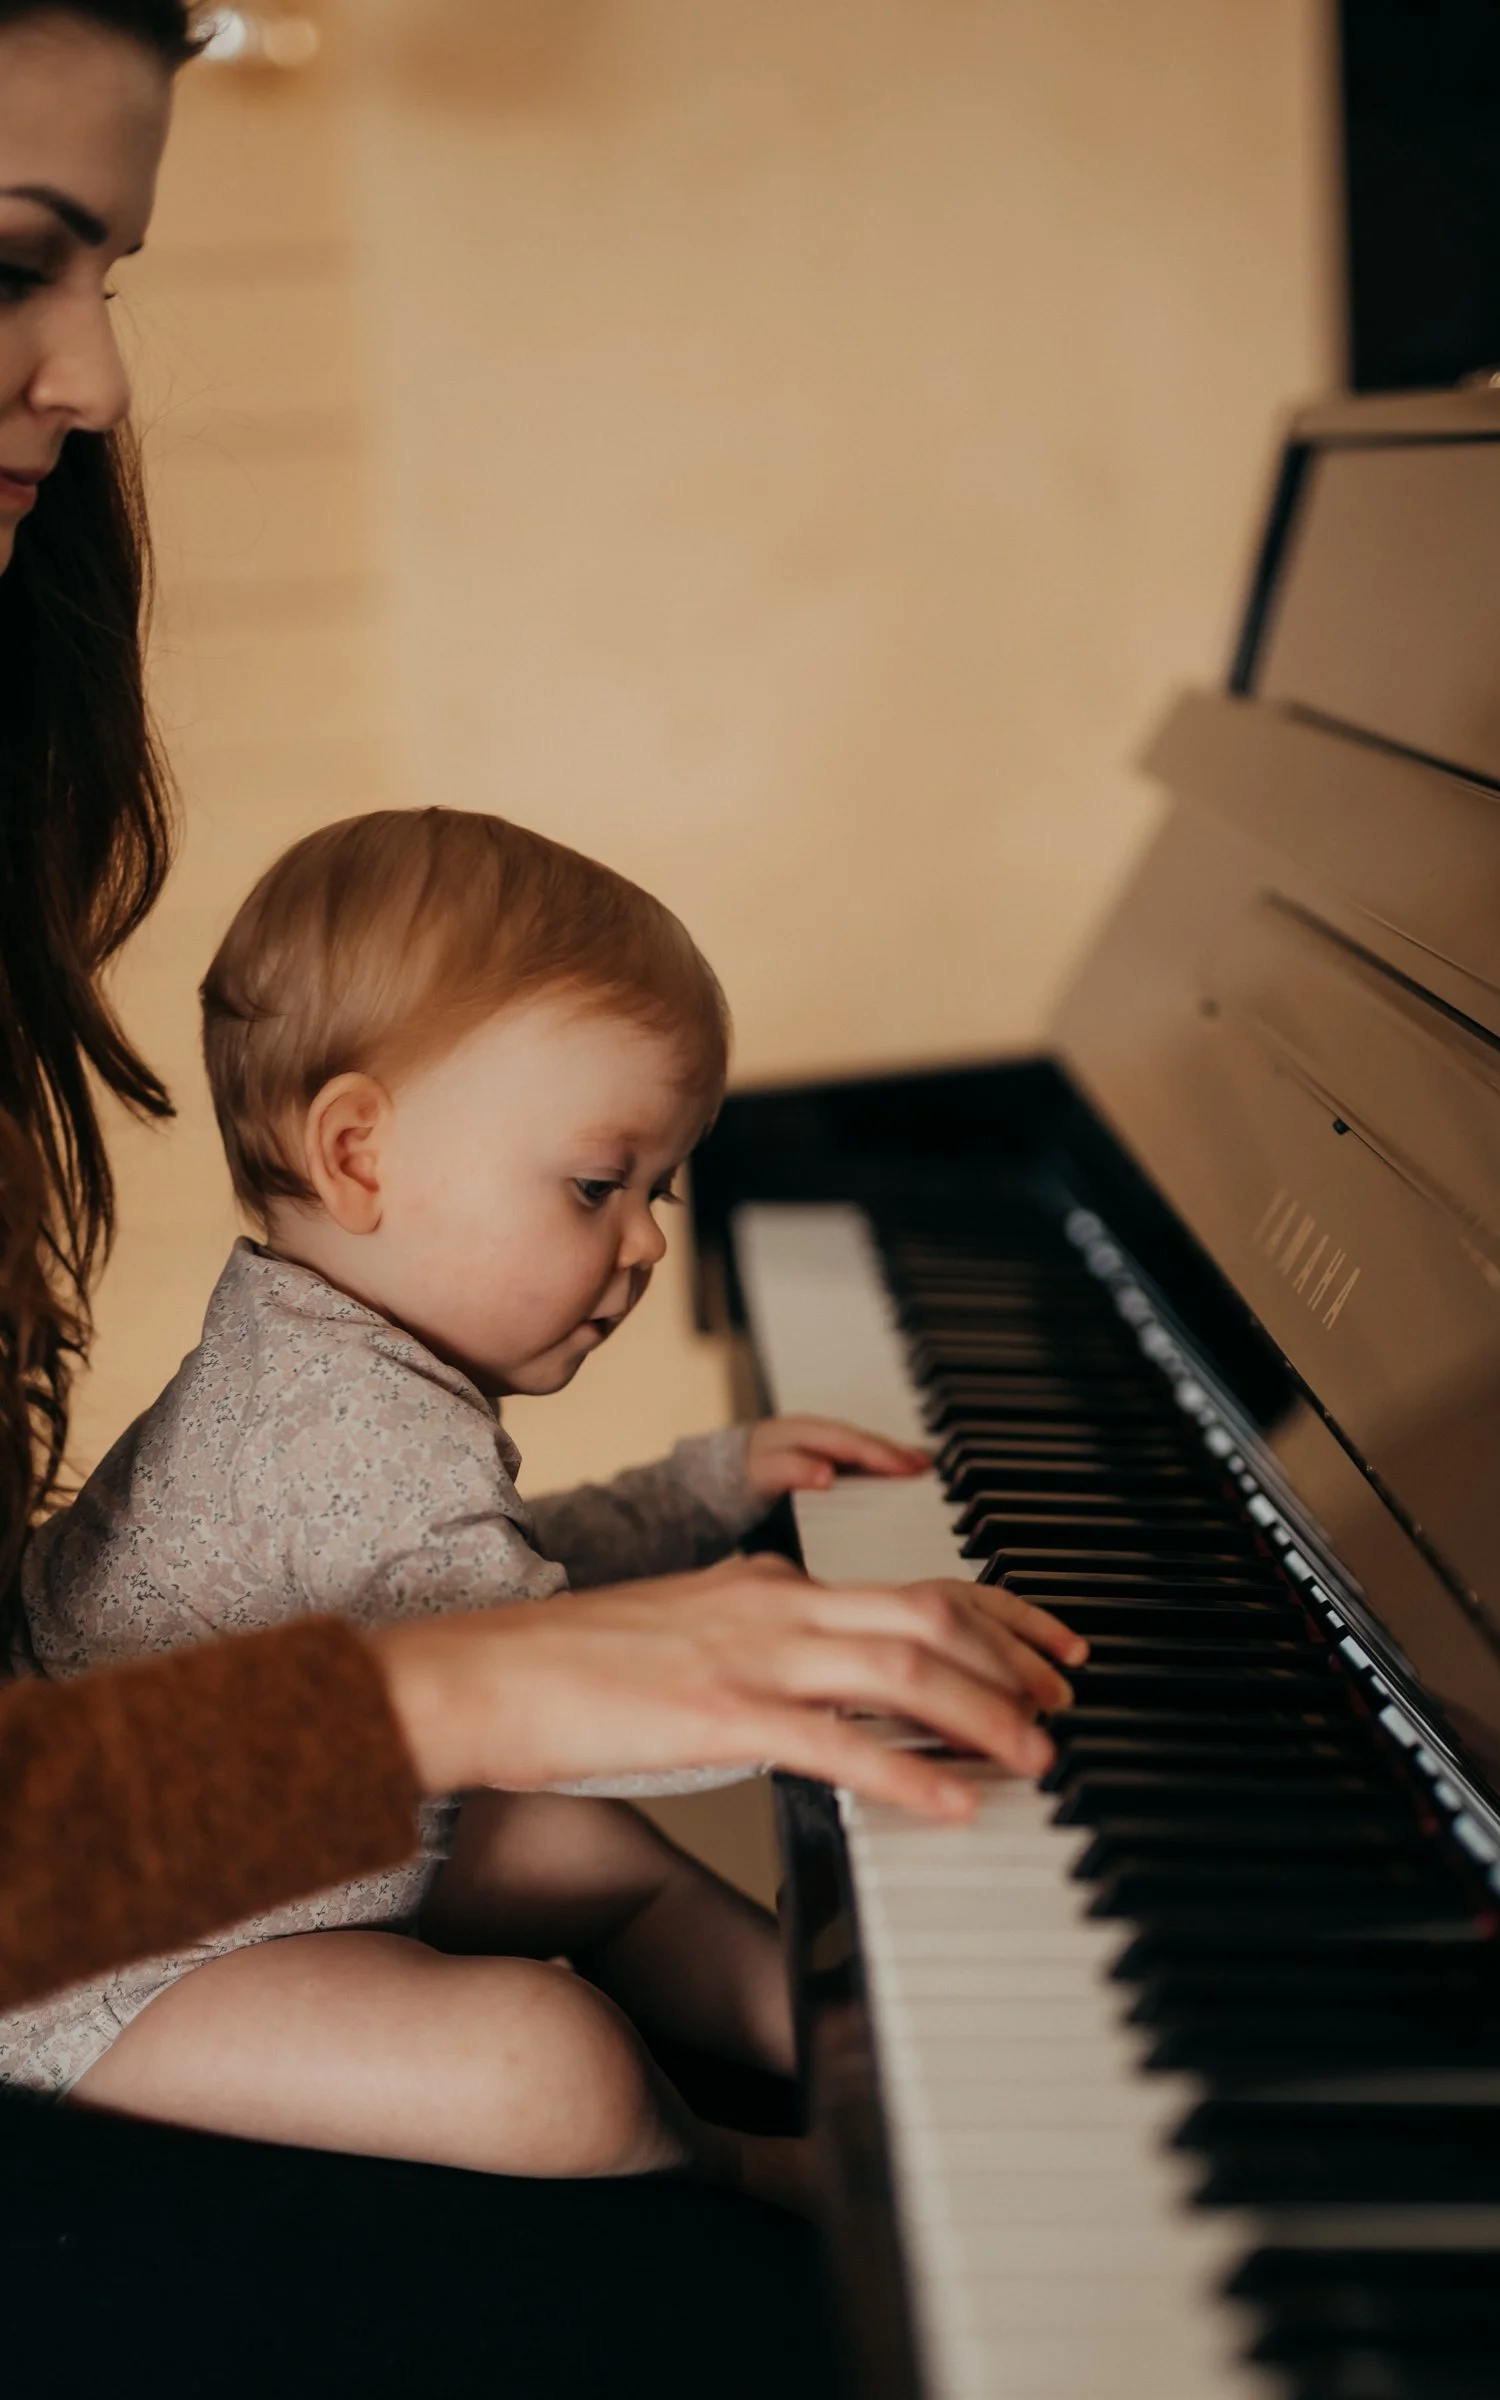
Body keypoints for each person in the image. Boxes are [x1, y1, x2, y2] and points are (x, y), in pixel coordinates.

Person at [0, 7, 1068, 2390]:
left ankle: (883, 2088)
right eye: (6, 265)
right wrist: (526, 1672)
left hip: (111, 1851)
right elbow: (468, 1636)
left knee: (599, 1891)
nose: (89, 383)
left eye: (112, 279)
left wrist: (653, 1561)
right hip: (73, 1971)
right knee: (602, 2127)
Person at [2, 804, 1082, 2190]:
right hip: (99, 1973)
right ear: (359, 1156)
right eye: (595, 1184)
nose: (640, 1244)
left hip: (236, 1837)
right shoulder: (345, 1416)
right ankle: (749, 2171)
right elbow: (554, 1709)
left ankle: (857, 2045)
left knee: (585, 1853)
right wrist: (824, 1687)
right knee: (542, 2063)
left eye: (659, 1189)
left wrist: (692, 1494)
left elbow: (466, 1612)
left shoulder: (331, 1344)